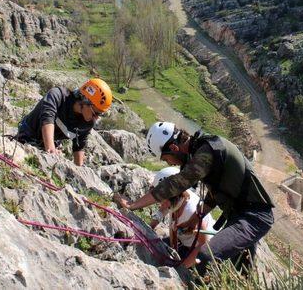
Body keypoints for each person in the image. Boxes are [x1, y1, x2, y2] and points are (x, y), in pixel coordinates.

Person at [114, 121, 274, 275]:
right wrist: (195, 219)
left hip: (253, 217)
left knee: (204, 257)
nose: (170, 163)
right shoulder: (202, 151)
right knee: (241, 271)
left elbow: (176, 184)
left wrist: (132, 205)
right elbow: (216, 192)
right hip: (241, 215)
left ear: (174, 148)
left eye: (165, 158)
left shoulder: (207, 152)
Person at [16, 78, 112, 166]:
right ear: (85, 100)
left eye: (100, 115)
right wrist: (51, 151)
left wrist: (79, 171)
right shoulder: (57, 97)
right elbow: (47, 119)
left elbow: (79, 145)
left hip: (50, 144)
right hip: (27, 136)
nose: (96, 118)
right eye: (96, 113)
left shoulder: (87, 122)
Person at [148, 166, 216, 267]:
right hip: (182, 242)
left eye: (163, 198)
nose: (161, 202)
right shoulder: (177, 201)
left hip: (198, 250)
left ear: (174, 195)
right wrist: (148, 229)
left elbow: (204, 244)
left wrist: (183, 267)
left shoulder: (192, 211)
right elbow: (163, 210)